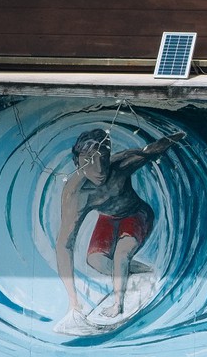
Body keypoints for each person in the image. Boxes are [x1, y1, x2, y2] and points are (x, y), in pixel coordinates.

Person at [55, 128, 184, 322]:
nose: (99, 169)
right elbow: (64, 246)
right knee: (95, 260)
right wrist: (73, 302)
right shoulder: (75, 195)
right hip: (108, 219)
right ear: (77, 162)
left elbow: (152, 150)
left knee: (121, 255)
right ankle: (141, 271)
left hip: (137, 214)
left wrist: (179, 137)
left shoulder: (121, 166)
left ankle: (118, 305)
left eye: (103, 158)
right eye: (89, 160)